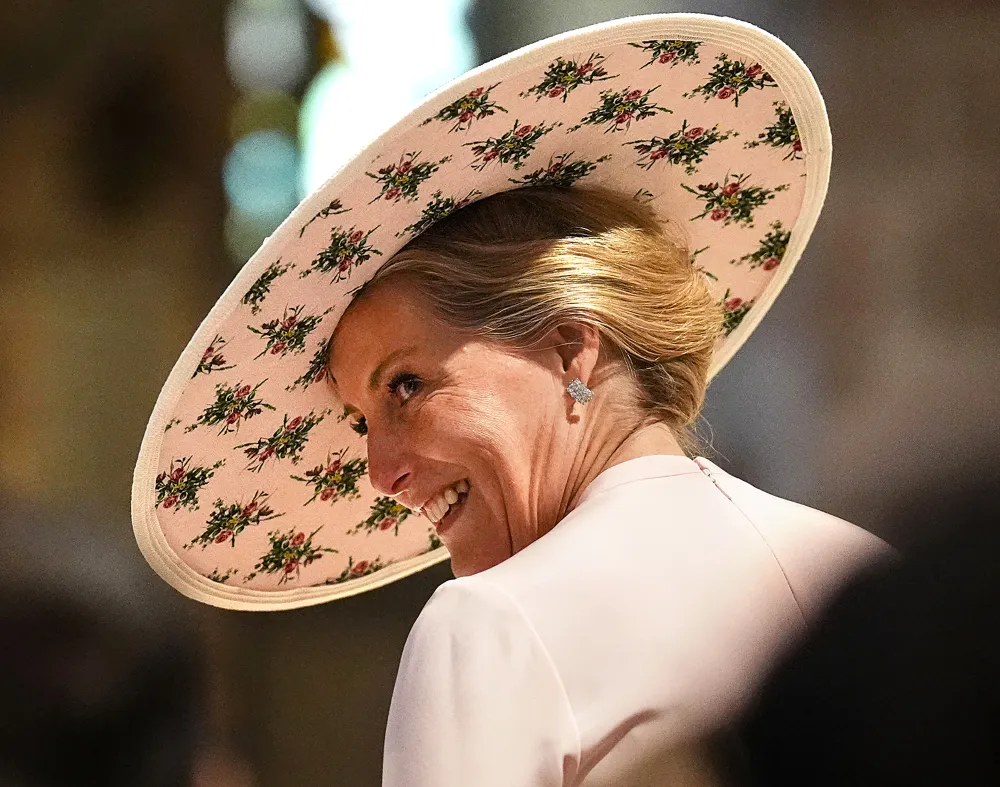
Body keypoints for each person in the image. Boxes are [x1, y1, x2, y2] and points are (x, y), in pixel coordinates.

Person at [131, 14, 891, 787]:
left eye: (406, 385)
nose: (379, 470)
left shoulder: (489, 626)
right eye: (362, 422)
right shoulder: (870, 578)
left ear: (569, 345)